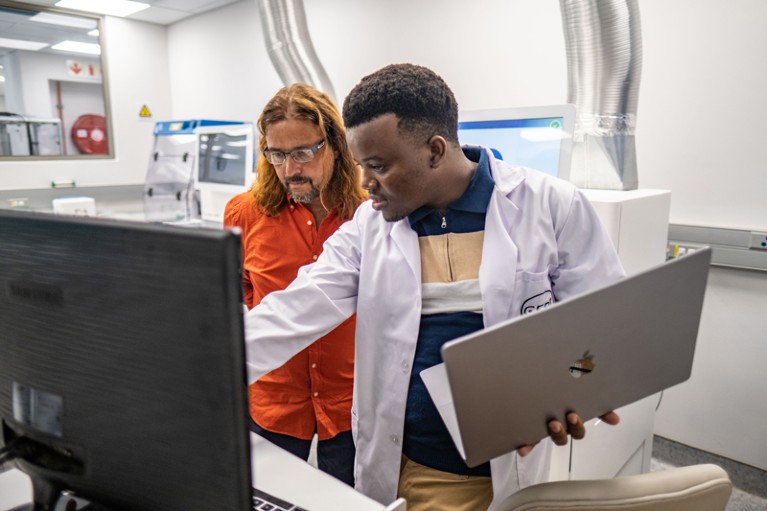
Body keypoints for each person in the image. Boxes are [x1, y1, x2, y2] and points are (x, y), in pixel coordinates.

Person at [243, 64, 625, 510]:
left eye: (380, 166)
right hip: (396, 458)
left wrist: (575, 388)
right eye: (361, 165)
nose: (366, 184)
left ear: (435, 150)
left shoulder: (549, 206)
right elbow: (293, 309)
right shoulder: (370, 227)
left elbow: (604, 327)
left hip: (492, 466)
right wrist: (206, 373)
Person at [224, 83, 366, 486]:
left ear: (336, 146)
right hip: (274, 402)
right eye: (277, 154)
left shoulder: (369, 215)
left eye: (304, 152)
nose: (290, 169)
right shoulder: (245, 213)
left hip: (350, 403)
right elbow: (243, 295)